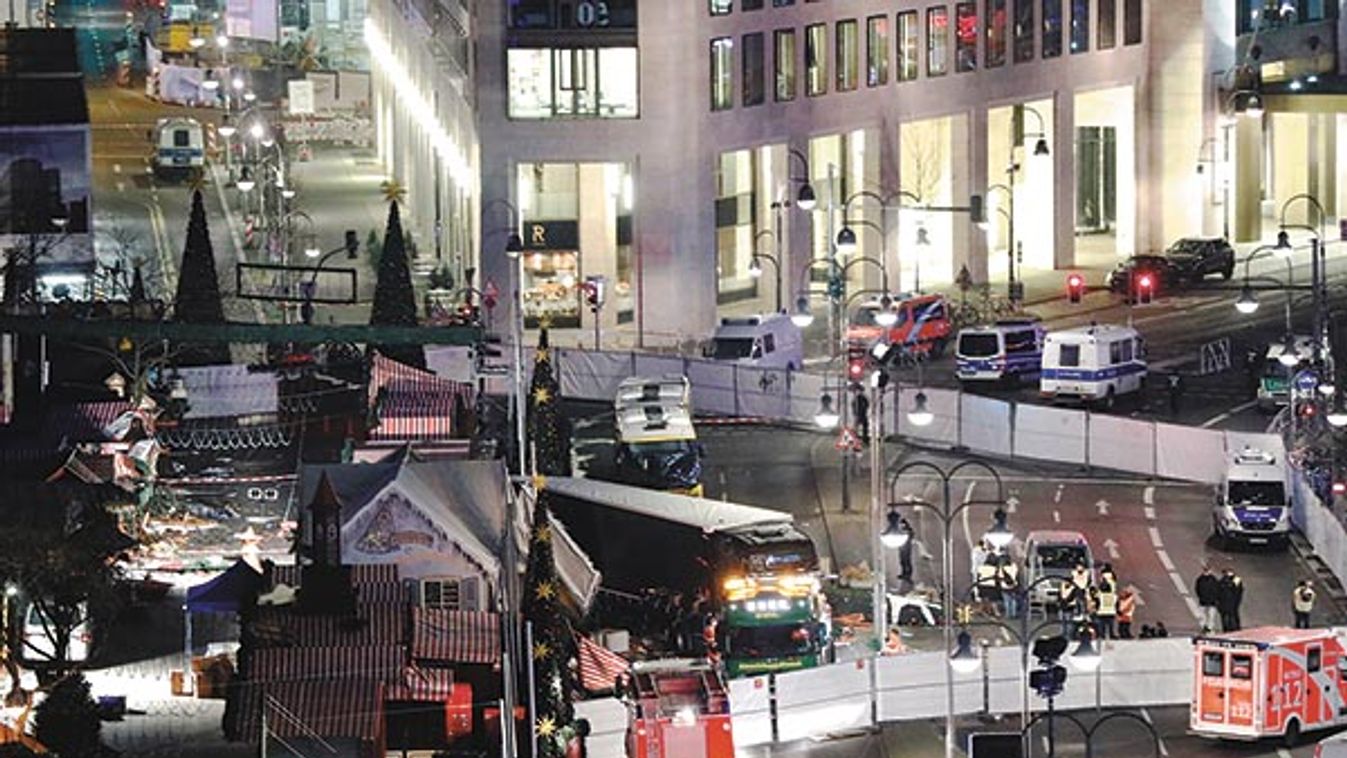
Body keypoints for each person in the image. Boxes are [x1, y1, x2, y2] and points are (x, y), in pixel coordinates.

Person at [1195, 565, 1221, 634]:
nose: (1206, 571)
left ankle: (1209, 627)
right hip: (1204, 600)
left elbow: (1217, 590)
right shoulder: (1201, 579)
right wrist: (1201, 596)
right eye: (1205, 570)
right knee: (1202, 615)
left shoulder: (1213, 579)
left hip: (1211, 601)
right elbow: (1197, 589)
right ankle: (1205, 626)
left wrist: (1216, 598)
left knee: (1211, 615)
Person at [1218, 568, 1244, 632]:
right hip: (1224, 602)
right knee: (1226, 617)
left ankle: (1235, 628)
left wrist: (1236, 601)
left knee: (1233, 615)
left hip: (1232, 601)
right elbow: (1218, 591)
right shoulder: (1222, 581)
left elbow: (1238, 591)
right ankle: (1227, 629)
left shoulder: (1236, 579)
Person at [996, 554, 1021, 620]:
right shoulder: (1014, 566)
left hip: (1004, 586)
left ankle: (1008, 614)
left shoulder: (1002, 568)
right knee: (1013, 600)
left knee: (1007, 600)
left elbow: (1000, 577)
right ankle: (1014, 613)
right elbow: (1017, 575)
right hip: (1014, 585)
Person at [897, 517, 914, 583]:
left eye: (902, 524)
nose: (901, 525)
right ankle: (903, 573)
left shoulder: (908, 530)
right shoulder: (900, 530)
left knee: (907, 561)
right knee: (902, 561)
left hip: (907, 548)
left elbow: (911, 536)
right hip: (901, 548)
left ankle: (909, 575)